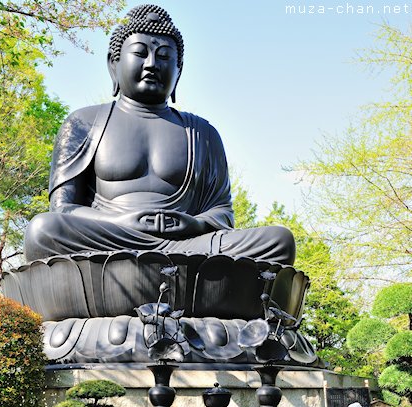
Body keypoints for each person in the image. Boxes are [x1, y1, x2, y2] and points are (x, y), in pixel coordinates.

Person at [24, 4, 295, 264]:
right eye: (141, 53)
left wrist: (195, 223)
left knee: (278, 241)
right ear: (113, 64)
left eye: (165, 56)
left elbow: (222, 212)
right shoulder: (84, 123)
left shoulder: (202, 133)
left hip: (187, 246)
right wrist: (121, 222)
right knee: (43, 230)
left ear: (179, 72)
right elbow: (62, 210)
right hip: (111, 238)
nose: (152, 64)